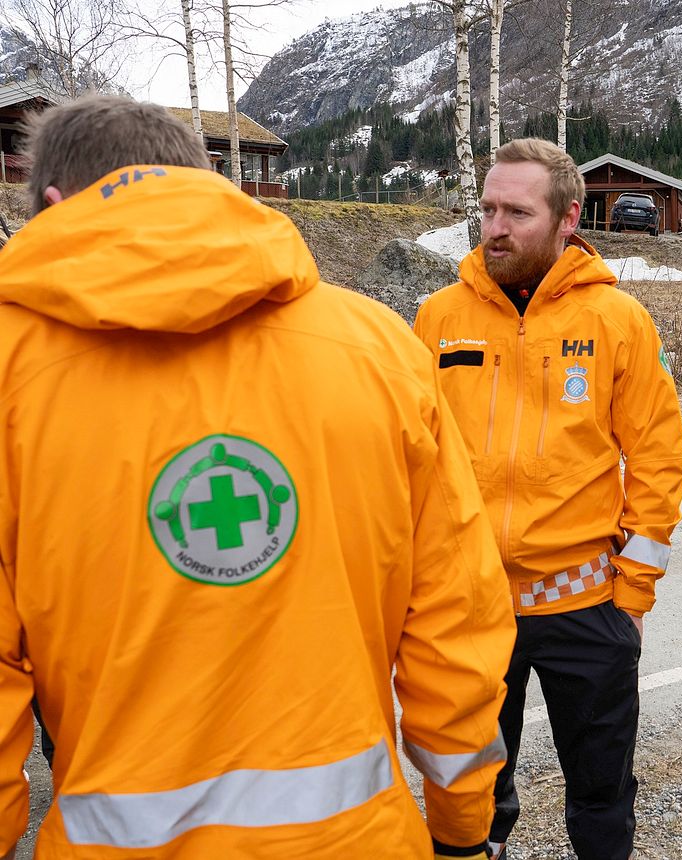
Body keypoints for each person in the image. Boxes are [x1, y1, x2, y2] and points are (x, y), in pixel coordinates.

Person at [0, 95, 517, 860]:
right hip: (357, 842)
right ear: (211, 184)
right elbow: (455, 618)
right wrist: (464, 825)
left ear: (51, 206)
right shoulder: (377, 348)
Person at [414, 138, 682, 860]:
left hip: (585, 610)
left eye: (516, 212)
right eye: (488, 208)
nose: (495, 227)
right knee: (470, 800)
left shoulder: (618, 320)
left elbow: (657, 459)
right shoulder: (437, 318)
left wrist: (631, 595)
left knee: (600, 799)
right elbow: (410, 456)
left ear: (568, 219)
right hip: (469, 611)